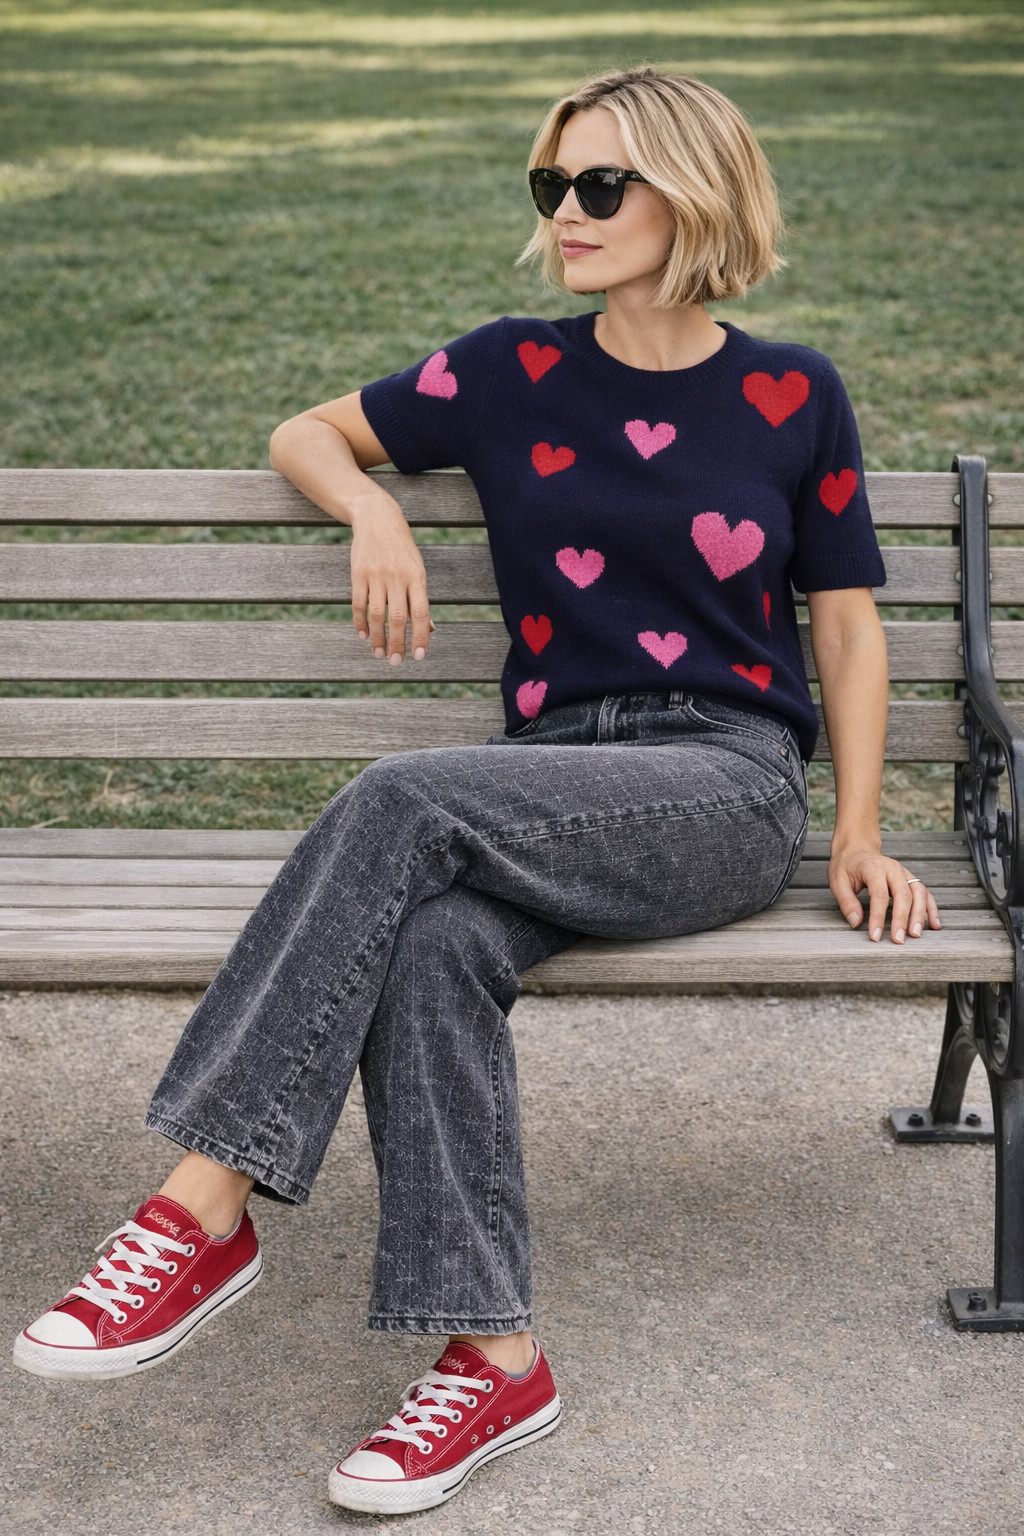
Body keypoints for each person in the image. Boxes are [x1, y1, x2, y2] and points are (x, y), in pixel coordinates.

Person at [13, 67, 941, 1516]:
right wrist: (375, 502)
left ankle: (203, 1210)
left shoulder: (791, 392)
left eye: (600, 186)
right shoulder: (507, 371)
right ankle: (496, 1356)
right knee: (432, 948)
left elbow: (845, 623)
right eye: (550, 187)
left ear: (693, 193)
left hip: (720, 785)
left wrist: (860, 828)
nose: (566, 215)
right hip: (546, 781)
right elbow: (308, 431)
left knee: (397, 802)